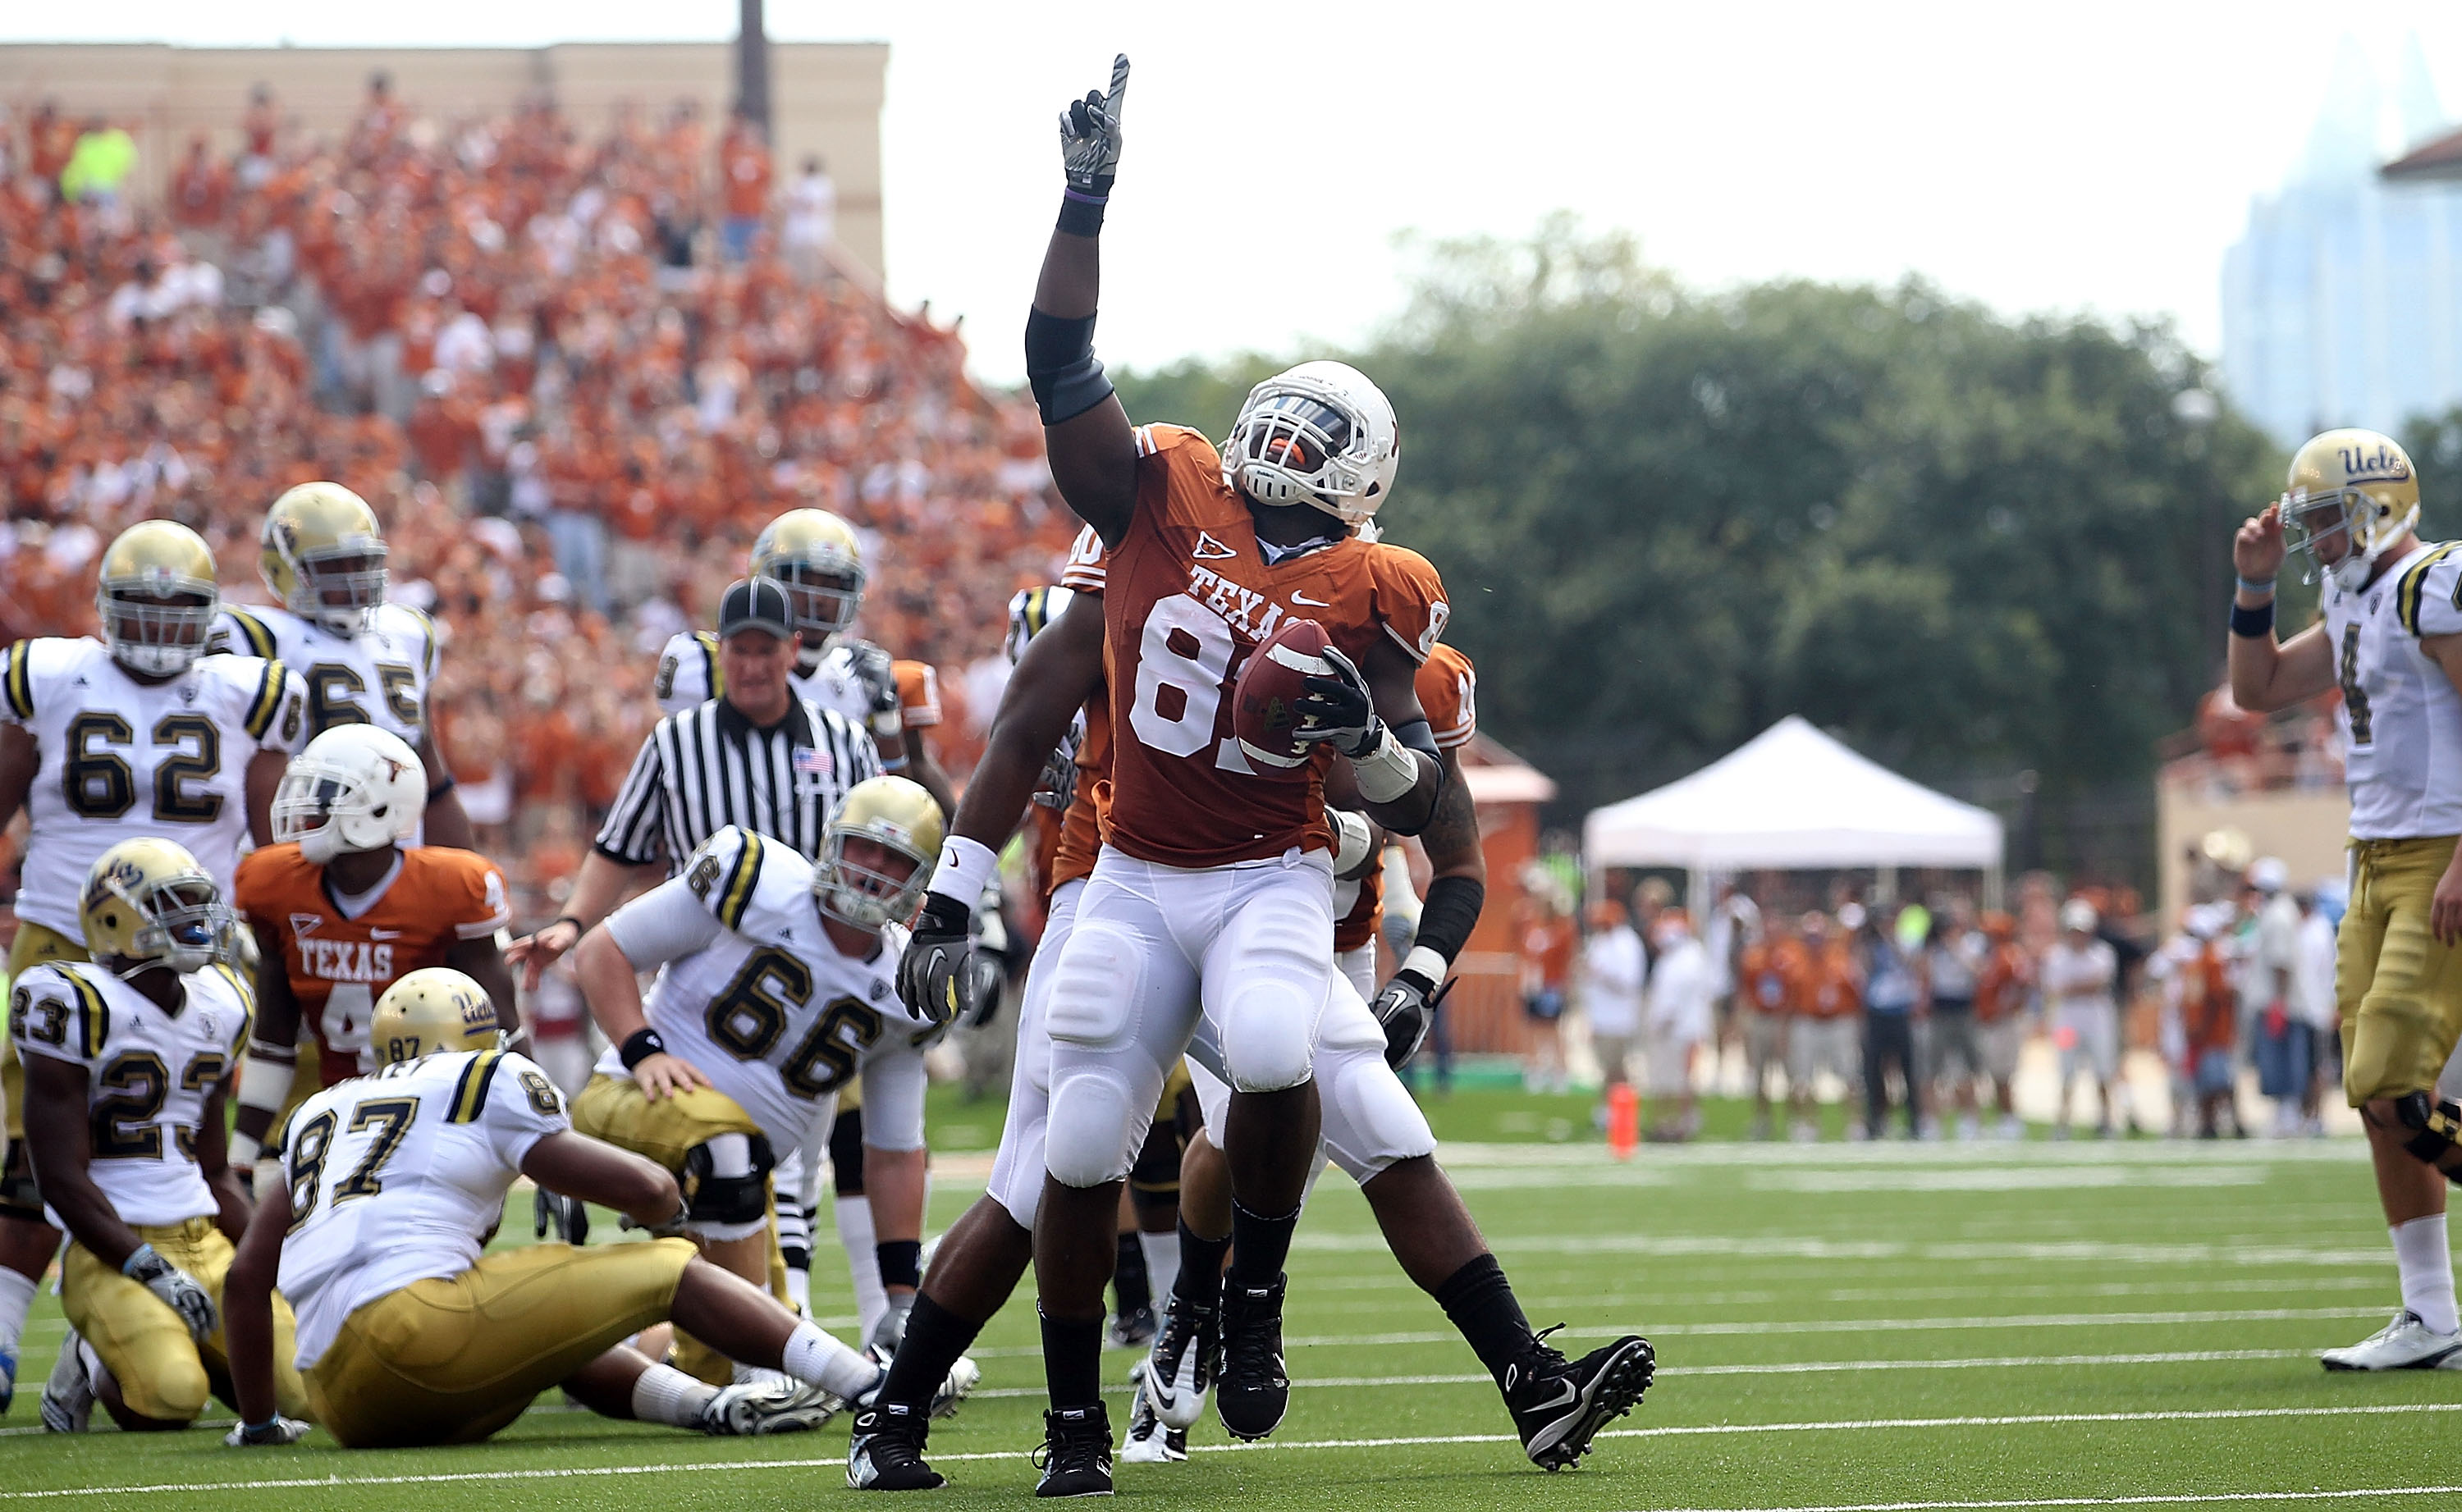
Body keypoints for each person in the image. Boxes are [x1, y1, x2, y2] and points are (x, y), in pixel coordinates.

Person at [853, 578, 1648, 1491]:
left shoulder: (1315, 619)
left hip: (1257, 905)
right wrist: (956, 901)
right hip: (1119, 897)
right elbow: (1028, 734)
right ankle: (908, 1411)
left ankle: (1524, 1380)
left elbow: (1434, 826)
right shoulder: (1147, 580)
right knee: (1043, 1167)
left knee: (1377, 1116)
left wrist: (1403, 928)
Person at [967, 53, 1452, 1490]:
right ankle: (1070, 1424)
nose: (1287, 444)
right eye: (1285, 417)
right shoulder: (1165, 481)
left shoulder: (1378, 584)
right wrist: (1084, 202)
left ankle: (1250, 1301)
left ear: (1363, 478)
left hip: (1267, 873)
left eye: (1323, 436)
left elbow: (1421, 795)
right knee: (1083, 1132)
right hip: (1127, 867)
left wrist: (1356, 738)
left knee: (1281, 1051)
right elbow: (1062, 367)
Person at [219, 967, 881, 1447]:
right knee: (670, 1265)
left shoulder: (321, 1108)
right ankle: (870, 1384)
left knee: (552, 1329)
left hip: (342, 1400)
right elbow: (650, 1188)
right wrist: (667, 1214)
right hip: (417, 1334)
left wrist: (258, 1423)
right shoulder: (484, 1075)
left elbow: (247, 1279)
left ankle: (709, 1408)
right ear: (475, 1035)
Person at [510, 578, 881, 1324]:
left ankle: (854, 1319)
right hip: (703, 975)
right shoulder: (677, 742)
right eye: (737, 650)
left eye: (765, 650)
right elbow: (618, 846)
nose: (751, 665)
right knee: (738, 1149)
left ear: (794, 649)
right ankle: (759, 1320)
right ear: (719, 654)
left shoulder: (843, 741)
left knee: (817, 1151)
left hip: (820, 973)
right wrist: (575, 924)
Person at [0, 518, 307, 1411]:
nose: (162, 629)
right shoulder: (51, 677)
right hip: (64, 930)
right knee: (35, 1147)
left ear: (211, 617)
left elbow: (271, 836)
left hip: (194, 950)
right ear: (103, 609)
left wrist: (277, 933)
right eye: (143, 609)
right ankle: (10, 1332)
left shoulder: (247, 690)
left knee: (176, 1136)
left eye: (181, 614)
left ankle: (110, 1344)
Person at [567, 779, 961, 1398]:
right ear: (833, 843)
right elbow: (602, 951)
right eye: (864, 849)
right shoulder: (756, 881)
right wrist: (642, 1052)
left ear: (922, 880)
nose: (874, 872)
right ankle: (785, 1376)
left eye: (896, 860)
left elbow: (892, 1150)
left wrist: (900, 1297)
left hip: (740, 1184)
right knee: (732, 1155)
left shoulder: (904, 986)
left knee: (740, 1344)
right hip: (631, 1107)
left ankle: (592, 1353)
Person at [2228, 427, 2462, 1368]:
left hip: (2439, 851)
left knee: (2392, 1086)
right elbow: (2262, 688)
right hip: (2372, 857)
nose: (2315, 537)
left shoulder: (2431, 584)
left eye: (2325, 518)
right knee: (2375, 1101)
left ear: (2376, 503)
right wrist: (2251, 587)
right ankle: (2432, 1314)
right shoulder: (2352, 588)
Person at [15, 839, 309, 1433]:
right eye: (174, 905)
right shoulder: (72, 1001)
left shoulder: (222, 1003)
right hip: (112, 1248)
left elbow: (214, 1168)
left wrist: (273, 1259)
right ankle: (87, 1356)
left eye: (200, 905)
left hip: (204, 1237)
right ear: (116, 917)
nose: (198, 922)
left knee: (305, 1391)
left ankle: (175, 1337)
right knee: (170, 1398)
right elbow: (59, 1178)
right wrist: (144, 1265)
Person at [230, 726, 519, 1172]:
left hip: (437, 1114)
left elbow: (503, 1031)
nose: (307, 807)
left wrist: (538, 1131)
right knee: (274, 1186)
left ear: (382, 806)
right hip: (338, 1109)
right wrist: (242, 1153)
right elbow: (273, 1035)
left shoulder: (450, 889)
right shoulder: (276, 884)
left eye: (326, 795)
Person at [208, 482, 474, 851]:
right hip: (307, 844)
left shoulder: (408, 633)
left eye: (361, 563)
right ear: (285, 570)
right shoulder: (258, 637)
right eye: (334, 566)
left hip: (397, 849)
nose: (353, 579)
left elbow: (429, 768)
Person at [2042, 898, 2123, 1139]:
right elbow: (2056, 988)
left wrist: (2074, 986)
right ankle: (2063, 1123)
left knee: (2103, 1071)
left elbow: (2100, 982)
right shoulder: (2056, 956)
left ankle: (2106, 1121)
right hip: (2068, 1021)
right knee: (2067, 1072)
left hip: (2097, 1020)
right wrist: (2082, 986)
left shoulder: (2102, 953)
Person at [2246, 858, 2307, 1136]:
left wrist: (2278, 1002)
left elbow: (2281, 963)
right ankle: (2282, 1115)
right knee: (2275, 1060)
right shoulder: (2276, 912)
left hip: (2279, 1001)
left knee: (2280, 1060)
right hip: (2276, 1000)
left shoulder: (2278, 915)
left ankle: (2287, 1116)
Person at [1642, 909, 1714, 1141]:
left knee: (1675, 1079)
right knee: (1673, 1079)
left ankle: (1677, 1124)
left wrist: (1660, 1023)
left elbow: (1674, 998)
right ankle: (1672, 1122)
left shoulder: (1686, 959)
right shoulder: (1682, 957)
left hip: (1678, 1030)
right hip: (1681, 1028)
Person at [1790, 911, 1861, 1140]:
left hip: (1838, 1022)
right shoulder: (1796, 961)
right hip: (1808, 1021)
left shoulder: (1840, 958)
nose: (1814, 943)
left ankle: (1854, 1124)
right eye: (1810, 937)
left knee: (1849, 1076)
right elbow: (1791, 998)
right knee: (1804, 1078)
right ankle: (1808, 1124)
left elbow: (1856, 991)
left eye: (1818, 937)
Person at [1857, 903, 1922, 1140]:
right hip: (1877, 1012)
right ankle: (1875, 1120)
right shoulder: (1868, 945)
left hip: (1900, 1011)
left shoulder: (1904, 941)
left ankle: (1914, 1120)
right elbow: (1862, 969)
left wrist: (1891, 938)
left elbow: (1911, 964)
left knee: (1907, 1069)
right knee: (1873, 1070)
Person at [1734, 915, 1801, 1140]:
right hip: (1760, 1018)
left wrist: (1786, 1022)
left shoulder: (1792, 953)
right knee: (1760, 1075)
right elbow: (1746, 990)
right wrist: (1742, 1022)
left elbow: (1794, 991)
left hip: (1783, 1019)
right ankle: (1762, 1120)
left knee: (1791, 1073)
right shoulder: (1753, 955)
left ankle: (1795, 1121)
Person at [1926, 904, 1988, 1140]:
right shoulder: (1933, 947)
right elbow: (1922, 972)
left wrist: (1954, 946)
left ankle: (1970, 1119)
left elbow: (1978, 971)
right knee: (1933, 1069)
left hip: (1963, 1008)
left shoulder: (1973, 942)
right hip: (1939, 1008)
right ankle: (1932, 1121)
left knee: (1967, 1068)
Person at [1581, 899, 1646, 1109]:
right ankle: (1610, 1108)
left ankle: (1620, 1109)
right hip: (1600, 1016)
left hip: (1619, 1018)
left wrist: (1601, 974)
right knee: (1606, 1066)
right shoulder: (1599, 941)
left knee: (1616, 1067)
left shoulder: (1627, 943)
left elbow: (1629, 981)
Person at [1972, 912, 2030, 1138]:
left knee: (2004, 1074)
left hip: (2003, 1022)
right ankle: (2003, 1119)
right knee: (1995, 1074)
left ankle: (2010, 1119)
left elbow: (2021, 986)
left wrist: (2004, 1009)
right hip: (1991, 1021)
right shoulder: (1993, 957)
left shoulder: (2009, 956)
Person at [1519, 893, 1576, 1094]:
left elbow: (1564, 959)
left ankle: (1559, 1073)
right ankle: (1535, 1071)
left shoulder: (1561, 931)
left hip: (1551, 985)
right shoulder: (1532, 929)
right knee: (1532, 1029)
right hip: (1532, 984)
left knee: (1553, 1030)